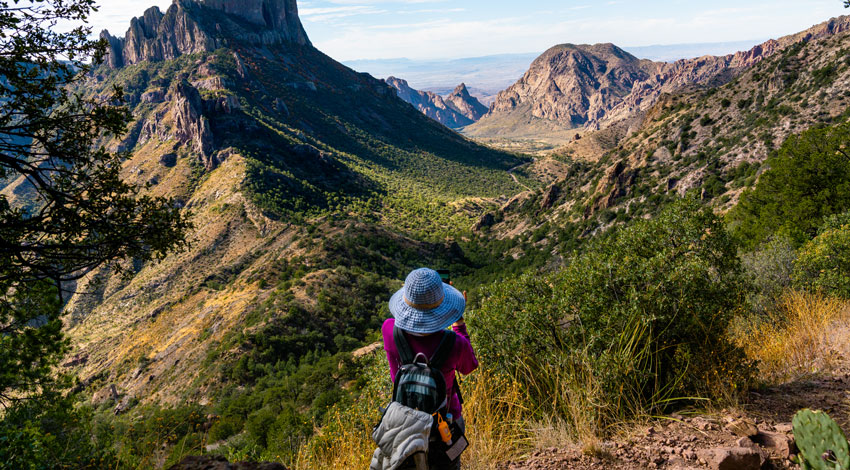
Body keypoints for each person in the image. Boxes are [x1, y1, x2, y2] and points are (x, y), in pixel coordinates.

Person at [382, 268, 479, 470]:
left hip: (404, 422)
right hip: (445, 423)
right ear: (443, 305)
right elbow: (469, 367)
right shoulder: (454, 343)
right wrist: (459, 322)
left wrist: (414, 297)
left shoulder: (389, 329)